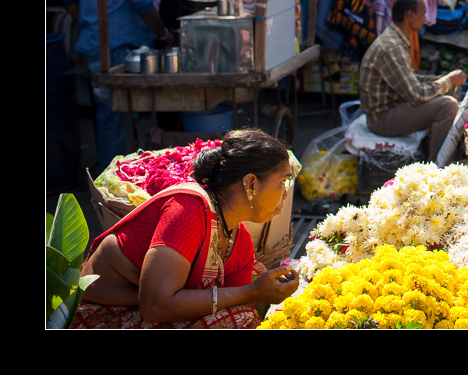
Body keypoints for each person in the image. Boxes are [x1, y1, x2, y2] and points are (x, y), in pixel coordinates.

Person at [71, 129, 300, 329]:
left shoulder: (239, 240)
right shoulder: (188, 209)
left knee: (254, 279)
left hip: (148, 308)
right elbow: (155, 306)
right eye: (282, 182)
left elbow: (239, 301)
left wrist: (259, 294)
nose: (285, 194)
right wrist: (252, 292)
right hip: (98, 312)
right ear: (250, 184)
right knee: (237, 318)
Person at [61, 0, 175, 171]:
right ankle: (108, 181)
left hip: (94, 45)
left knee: (109, 116)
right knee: (113, 118)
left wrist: (89, 24)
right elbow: (143, 4)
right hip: (118, 49)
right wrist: (163, 33)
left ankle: (112, 173)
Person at [359, 0, 468, 162]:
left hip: (391, 108)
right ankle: (439, 165)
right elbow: (416, 95)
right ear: (410, 15)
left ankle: (440, 153)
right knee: (448, 105)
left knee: (446, 91)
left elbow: (411, 80)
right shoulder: (392, 46)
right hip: (382, 119)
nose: (425, 19)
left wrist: (445, 80)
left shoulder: (395, 39)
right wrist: (448, 81)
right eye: (423, 14)